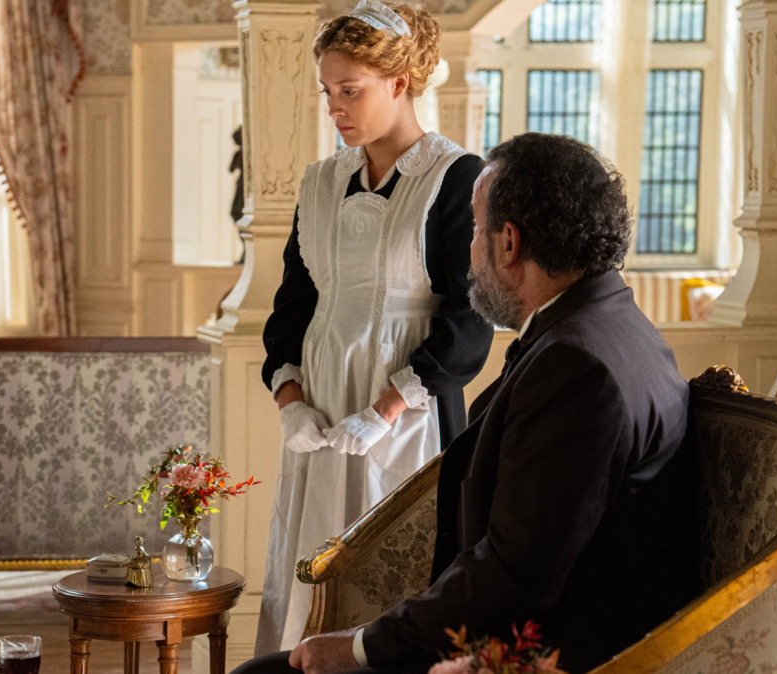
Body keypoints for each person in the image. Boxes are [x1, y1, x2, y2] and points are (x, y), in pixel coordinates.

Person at [239, 133, 701, 674]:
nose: (469, 250)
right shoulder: (605, 326)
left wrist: (359, 647)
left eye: (476, 230)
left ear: (509, 243)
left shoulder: (577, 368)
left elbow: (512, 578)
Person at [258, 0, 493, 654]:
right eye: (328, 92)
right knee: (311, 570)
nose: (335, 107)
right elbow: (292, 306)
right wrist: (292, 404)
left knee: (397, 578)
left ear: (400, 83)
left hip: (407, 422)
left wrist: (385, 410)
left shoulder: (455, 178)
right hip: (322, 418)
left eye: (351, 91)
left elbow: (470, 319)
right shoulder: (321, 183)